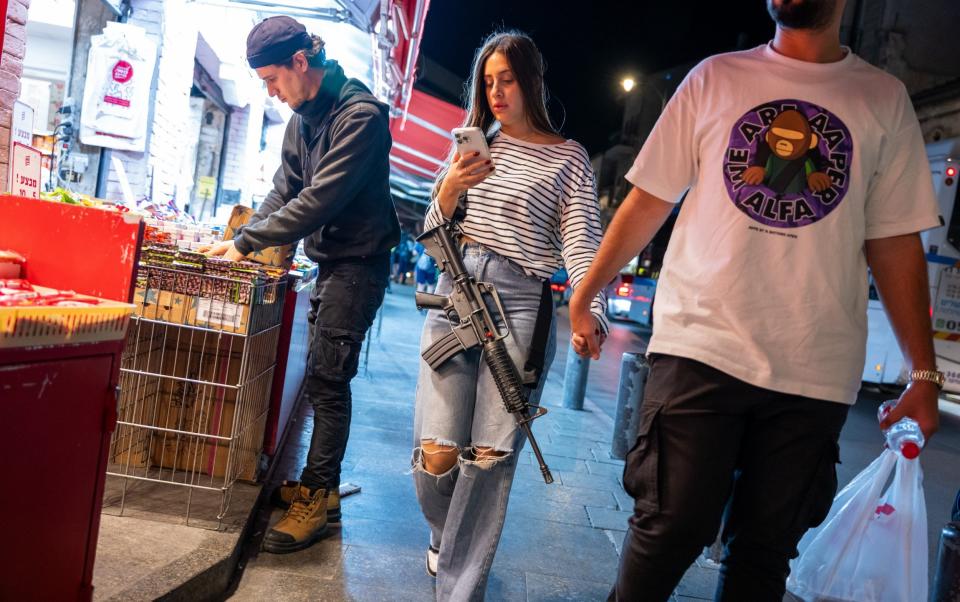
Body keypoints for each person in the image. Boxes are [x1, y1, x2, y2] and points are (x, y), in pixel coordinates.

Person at [568, 1, 943, 600]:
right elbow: (649, 198)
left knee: (764, 555)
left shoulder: (883, 99)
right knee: (671, 524)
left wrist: (922, 372)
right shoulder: (716, 77)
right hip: (701, 344)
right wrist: (587, 288)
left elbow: (895, 242)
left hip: (814, 369)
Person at [412, 31, 608, 600]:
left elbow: (581, 242)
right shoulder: (475, 146)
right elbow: (430, 234)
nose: (496, 92)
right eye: (488, 82)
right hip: (456, 291)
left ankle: (459, 585)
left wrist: (586, 307)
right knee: (439, 451)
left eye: (507, 80)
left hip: (521, 303)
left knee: (491, 457)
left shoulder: (567, 156)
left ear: (531, 82)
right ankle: (445, 537)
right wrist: (449, 186)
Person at [203, 16, 400, 554]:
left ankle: (316, 499)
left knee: (327, 379)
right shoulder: (302, 116)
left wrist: (247, 243)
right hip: (332, 261)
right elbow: (284, 191)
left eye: (272, 79)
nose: (270, 91)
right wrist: (241, 238)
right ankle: (324, 486)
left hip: (359, 264)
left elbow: (318, 202)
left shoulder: (360, 116)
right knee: (321, 377)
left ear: (300, 62)